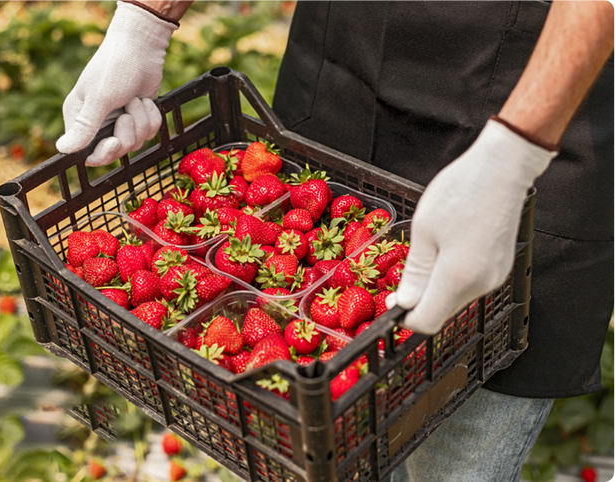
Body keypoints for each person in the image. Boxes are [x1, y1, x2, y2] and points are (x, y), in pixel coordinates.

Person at [56, 0, 615, 479]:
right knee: (294, 451)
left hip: (550, 94)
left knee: (459, 464)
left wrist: (514, 155)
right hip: (348, 61)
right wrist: (146, 21)